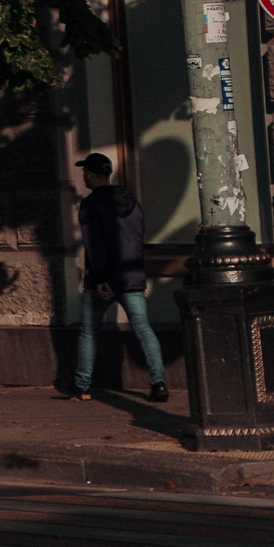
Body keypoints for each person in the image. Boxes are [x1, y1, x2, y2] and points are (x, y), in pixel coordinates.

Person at [70, 151, 167, 402]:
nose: (84, 177)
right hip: (131, 278)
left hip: (101, 280)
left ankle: (82, 386)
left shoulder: (90, 205)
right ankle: (159, 383)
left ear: (91, 175)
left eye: (85, 173)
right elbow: (136, 241)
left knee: (89, 332)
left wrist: (102, 279)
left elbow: (94, 244)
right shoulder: (132, 202)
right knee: (143, 329)